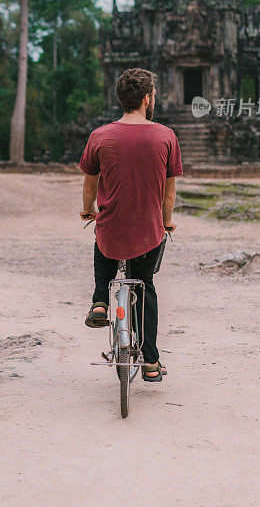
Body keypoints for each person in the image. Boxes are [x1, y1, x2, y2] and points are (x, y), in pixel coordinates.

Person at [79, 67, 182, 382]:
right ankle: (151, 362)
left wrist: (87, 210)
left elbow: (89, 187)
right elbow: (169, 192)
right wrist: (166, 222)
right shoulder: (166, 136)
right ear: (147, 99)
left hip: (111, 228)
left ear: (120, 99)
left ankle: (99, 301)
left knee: (103, 238)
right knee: (146, 286)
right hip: (148, 231)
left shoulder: (100, 136)